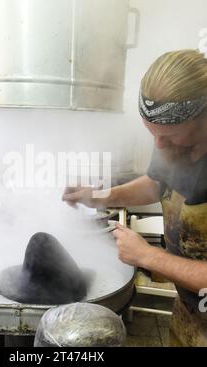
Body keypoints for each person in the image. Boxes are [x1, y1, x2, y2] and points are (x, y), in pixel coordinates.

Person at [62, 50, 207, 347]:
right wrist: (101, 196)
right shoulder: (171, 140)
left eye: (169, 136)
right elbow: (158, 183)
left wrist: (147, 256)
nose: (158, 144)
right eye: (151, 133)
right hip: (189, 314)